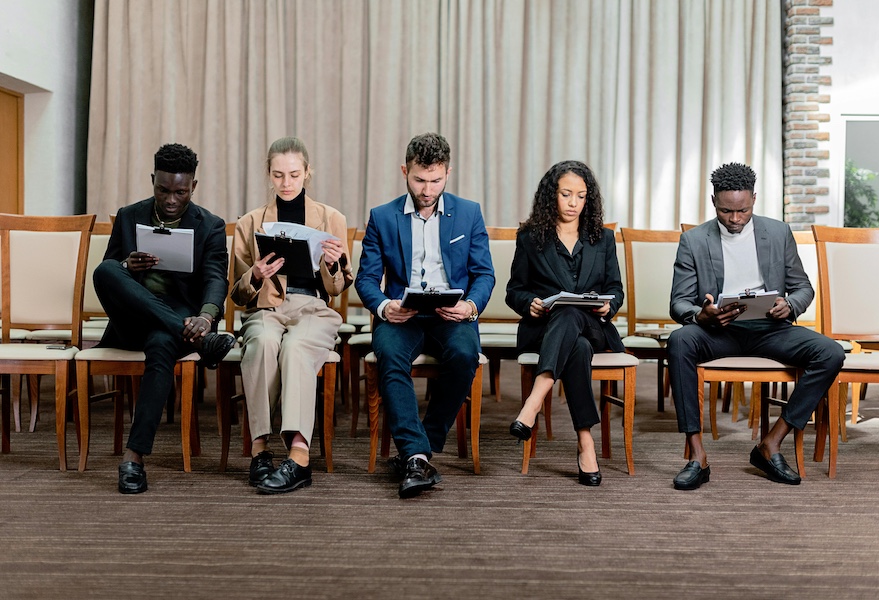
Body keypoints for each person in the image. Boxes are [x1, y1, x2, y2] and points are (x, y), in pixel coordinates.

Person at [667, 162, 844, 490]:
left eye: (743, 211)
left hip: (770, 329)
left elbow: (804, 288)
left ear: (754, 200)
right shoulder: (693, 240)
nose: (735, 219)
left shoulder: (778, 233)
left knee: (830, 352)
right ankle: (696, 455)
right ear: (713, 202)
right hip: (718, 332)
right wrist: (700, 315)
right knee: (679, 341)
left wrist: (788, 305)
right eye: (726, 211)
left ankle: (771, 443)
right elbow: (678, 302)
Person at [355, 132, 495, 498]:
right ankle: (417, 454)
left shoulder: (469, 213)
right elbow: (367, 278)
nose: (427, 189)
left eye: (436, 180)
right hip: (404, 313)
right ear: (405, 171)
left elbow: (485, 274)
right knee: (388, 356)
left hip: (452, 313)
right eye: (419, 179)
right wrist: (385, 306)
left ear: (448, 173)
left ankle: (420, 448)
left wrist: (470, 306)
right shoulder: (382, 217)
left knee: (465, 356)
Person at [95, 143, 235, 494]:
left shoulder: (211, 225)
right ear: (152, 180)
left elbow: (217, 278)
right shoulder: (129, 216)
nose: (171, 199)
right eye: (163, 190)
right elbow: (112, 275)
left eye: (180, 192)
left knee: (161, 344)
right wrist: (129, 266)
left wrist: (205, 317)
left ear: (193, 187)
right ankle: (203, 343)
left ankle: (133, 457)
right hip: (132, 321)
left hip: (182, 324)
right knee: (107, 269)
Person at [231, 137, 352, 494]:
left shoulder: (331, 218)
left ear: (307, 173)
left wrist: (334, 263)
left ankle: (299, 456)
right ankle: (260, 450)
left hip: (313, 306)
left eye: (294, 174)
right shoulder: (251, 222)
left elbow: (337, 288)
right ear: (268, 174)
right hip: (267, 308)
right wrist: (255, 275)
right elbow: (237, 295)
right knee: (264, 342)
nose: (287, 183)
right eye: (279, 175)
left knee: (297, 347)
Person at [505, 160, 625, 486]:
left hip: (594, 326)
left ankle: (533, 402)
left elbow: (616, 290)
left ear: (589, 199)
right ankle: (586, 442)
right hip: (545, 329)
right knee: (577, 345)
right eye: (566, 194)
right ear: (551, 196)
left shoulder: (603, 238)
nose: (573, 203)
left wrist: (607, 305)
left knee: (572, 313)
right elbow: (514, 290)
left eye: (581, 196)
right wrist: (526, 303)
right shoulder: (530, 238)